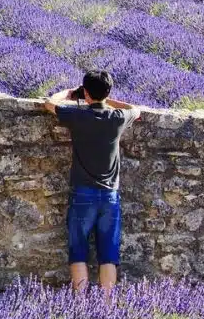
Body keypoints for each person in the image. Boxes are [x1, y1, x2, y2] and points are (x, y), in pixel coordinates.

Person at [43, 69, 139, 291]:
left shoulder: (78, 116)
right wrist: (106, 98)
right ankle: (105, 308)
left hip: (83, 193)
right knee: (109, 255)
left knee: (78, 251)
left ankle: (81, 306)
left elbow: (49, 103)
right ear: (107, 91)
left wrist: (70, 94)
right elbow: (136, 110)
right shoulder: (117, 118)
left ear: (86, 92)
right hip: (110, 197)